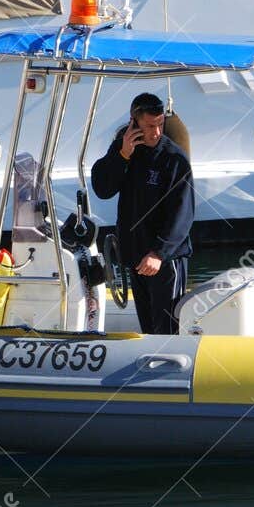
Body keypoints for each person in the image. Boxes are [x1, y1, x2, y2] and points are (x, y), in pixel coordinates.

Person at [89, 92, 194, 336]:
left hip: (164, 261)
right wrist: (122, 155)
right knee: (147, 328)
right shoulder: (124, 150)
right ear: (134, 123)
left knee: (167, 329)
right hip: (136, 256)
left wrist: (159, 253)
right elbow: (103, 189)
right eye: (149, 126)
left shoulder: (175, 159)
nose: (156, 133)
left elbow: (183, 214)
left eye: (160, 125)